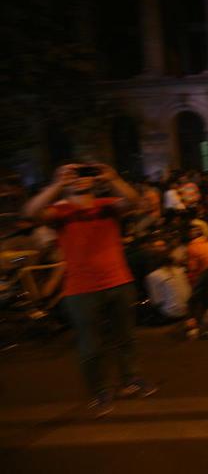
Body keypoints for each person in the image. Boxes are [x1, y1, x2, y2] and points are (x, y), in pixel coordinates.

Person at [22, 163, 157, 417]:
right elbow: (30, 211)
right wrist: (58, 184)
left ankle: (130, 379)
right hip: (81, 288)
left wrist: (113, 177)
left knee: (126, 337)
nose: (80, 180)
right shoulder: (60, 210)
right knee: (90, 345)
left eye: (84, 175)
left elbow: (134, 201)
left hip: (118, 280)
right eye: (73, 176)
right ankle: (99, 391)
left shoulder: (106, 204)